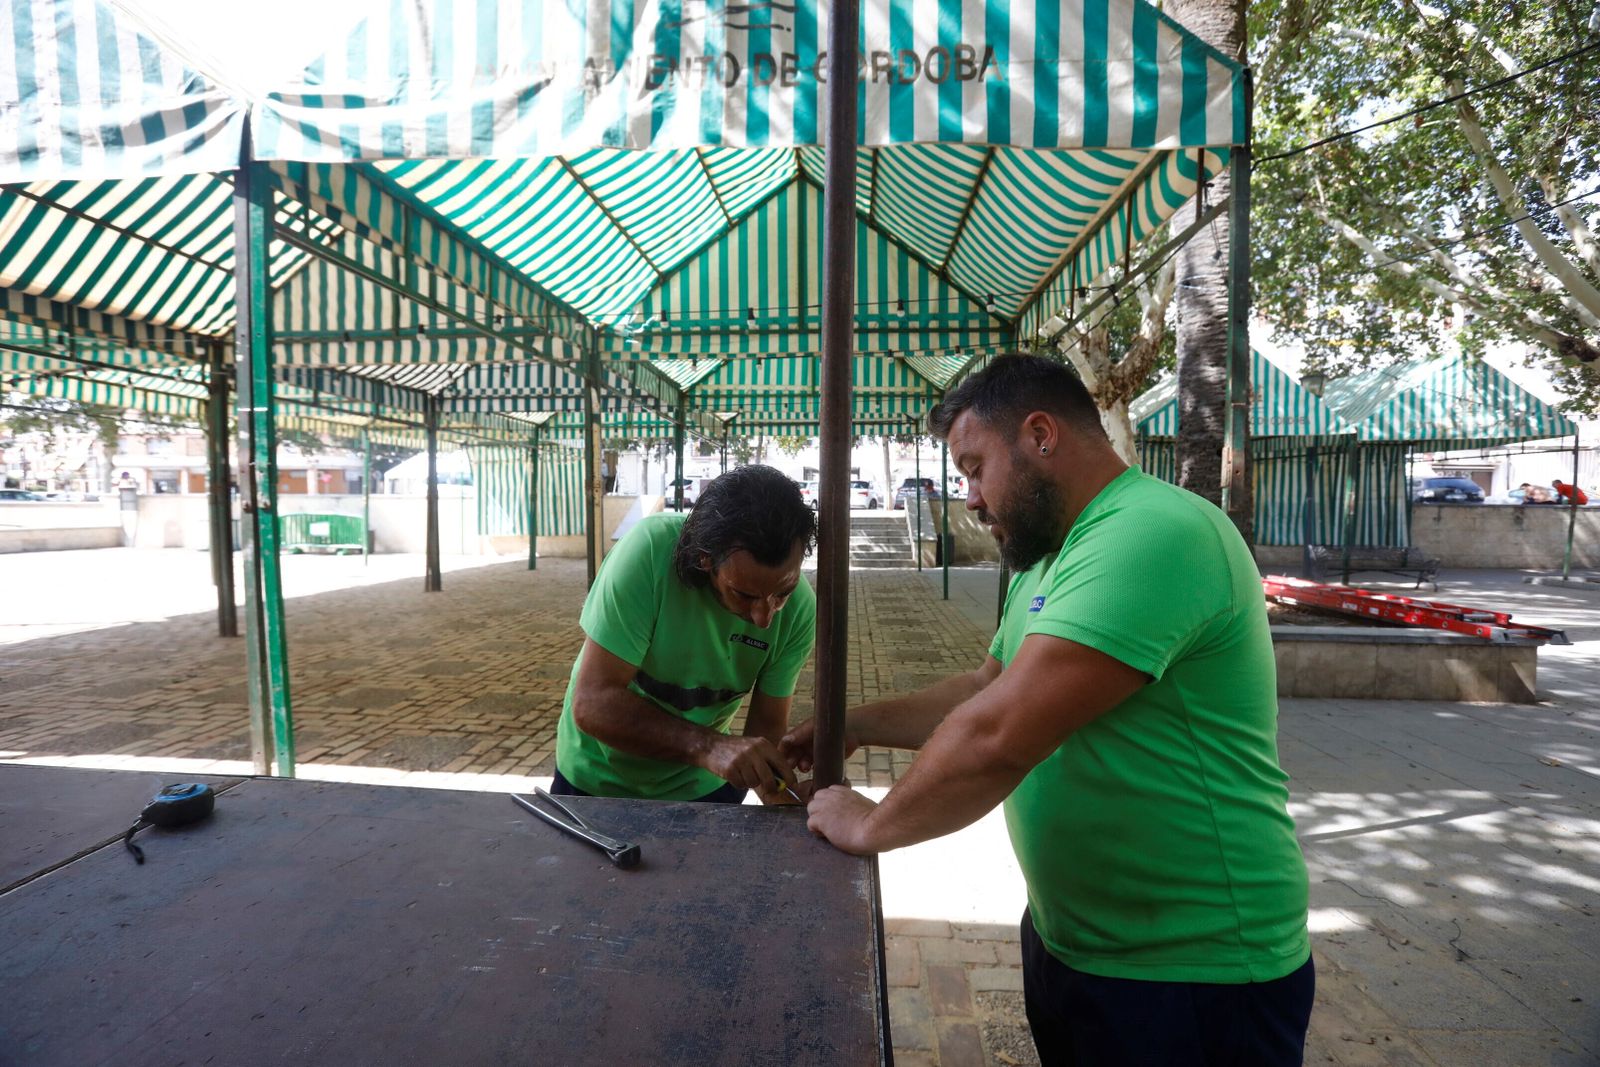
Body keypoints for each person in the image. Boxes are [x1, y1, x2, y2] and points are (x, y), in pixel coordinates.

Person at [786, 354, 1313, 1064]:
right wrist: (854, 723)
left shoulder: (1155, 530)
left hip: (1194, 968)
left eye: (974, 467)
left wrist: (871, 823)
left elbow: (999, 734)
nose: (969, 497)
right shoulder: (1050, 555)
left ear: (1040, 435)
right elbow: (985, 689)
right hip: (1075, 941)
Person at [554, 464, 817, 804]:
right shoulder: (648, 553)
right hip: (595, 780)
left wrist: (787, 797)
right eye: (744, 595)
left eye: (782, 592)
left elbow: (766, 726)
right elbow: (594, 703)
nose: (764, 618)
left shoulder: (800, 610)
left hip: (705, 787)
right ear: (705, 559)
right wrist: (708, 746)